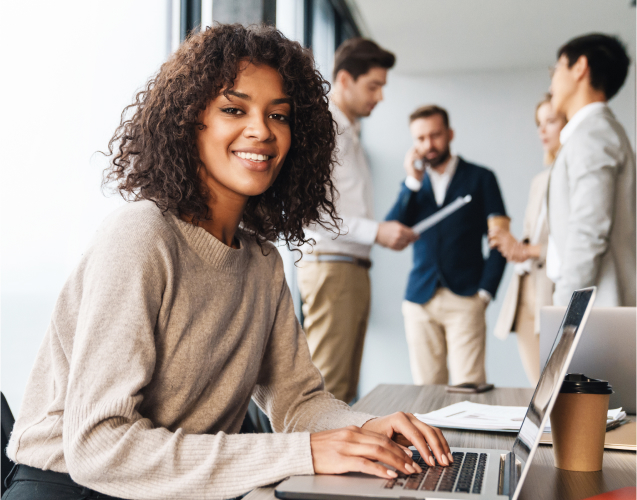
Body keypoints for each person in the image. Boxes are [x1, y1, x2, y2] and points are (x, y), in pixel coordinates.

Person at [3, 25, 452, 500]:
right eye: (234, 109)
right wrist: (305, 453)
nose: (262, 130)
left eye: (278, 115)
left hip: (175, 487)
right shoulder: (140, 236)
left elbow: (297, 401)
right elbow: (100, 446)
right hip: (74, 489)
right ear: (189, 121)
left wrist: (367, 429)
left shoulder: (262, 262)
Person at [298, 38, 417, 404]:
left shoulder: (349, 131)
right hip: (334, 267)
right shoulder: (327, 130)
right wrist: (376, 231)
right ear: (345, 80)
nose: (380, 96)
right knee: (329, 390)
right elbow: (311, 213)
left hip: (349, 268)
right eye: (373, 86)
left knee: (343, 391)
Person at [386, 105, 507, 386]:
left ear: (450, 134)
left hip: (466, 297)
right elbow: (391, 231)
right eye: (420, 139)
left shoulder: (481, 178)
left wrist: (485, 293)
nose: (429, 144)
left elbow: (501, 239)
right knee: (426, 390)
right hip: (420, 299)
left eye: (435, 135)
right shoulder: (414, 185)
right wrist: (411, 183)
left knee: (469, 387)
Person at [546, 33, 636, 307]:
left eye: (556, 69)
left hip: (594, 308)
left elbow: (589, 229)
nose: (551, 82)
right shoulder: (596, 132)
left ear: (580, 67)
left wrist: (564, 308)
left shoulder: (593, 134)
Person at [490, 96, 566, 385]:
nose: (542, 131)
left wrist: (525, 249)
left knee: (559, 389)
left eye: (550, 121)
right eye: (539, 123)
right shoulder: (540, 180)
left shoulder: (574, 178)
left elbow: (578, 244)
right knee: (539, 388)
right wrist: (510, 245)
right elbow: (530, 239)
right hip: (524, 293)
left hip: (553, 291)